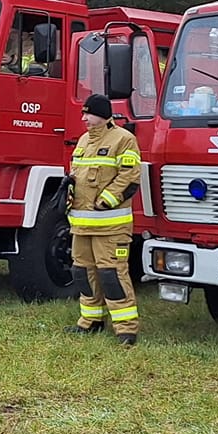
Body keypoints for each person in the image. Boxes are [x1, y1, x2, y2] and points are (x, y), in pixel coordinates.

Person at [67, 94, 143, 345]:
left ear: (102, 114)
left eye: (88, 113)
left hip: (111, 225)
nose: (84, 118)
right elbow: (76, 176)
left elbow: (130, 177)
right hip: (81, 225)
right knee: (82, 273)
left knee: (112, 275)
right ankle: (90, 321)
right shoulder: (83, 141)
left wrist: (105, 201)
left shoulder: (124, 139)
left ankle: (126, 330)